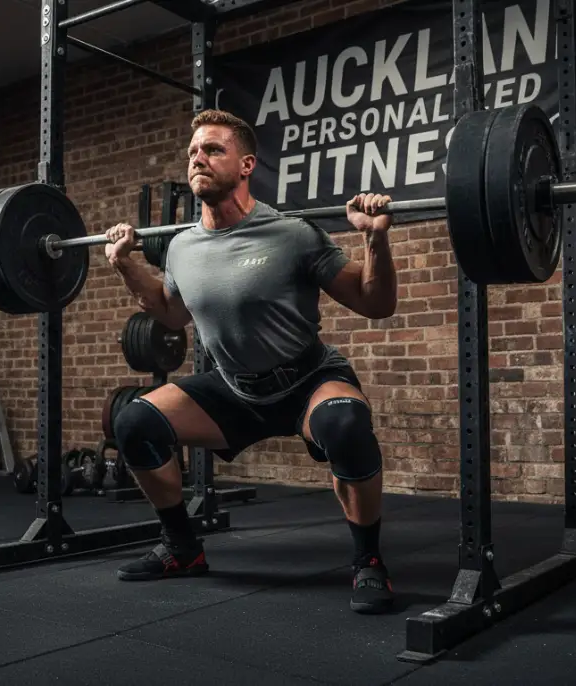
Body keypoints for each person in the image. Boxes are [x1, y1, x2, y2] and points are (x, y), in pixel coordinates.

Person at [104, 109, 398, 614]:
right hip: (236, 390)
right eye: (193, 151)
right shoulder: (181, 247)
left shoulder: (293, 235)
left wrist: (375, 238)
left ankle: (368, 561)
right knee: (134, 422)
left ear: (245, 165)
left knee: (346, 424)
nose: (198, 158)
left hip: (308, 379)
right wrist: (128, 265)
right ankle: (183, 548)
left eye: (213, 149)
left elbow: (375, 303)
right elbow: (172, 314)